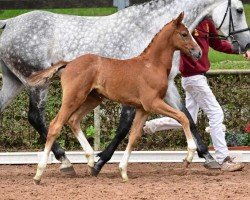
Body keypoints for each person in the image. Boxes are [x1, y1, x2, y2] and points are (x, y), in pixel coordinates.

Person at [143, 17, 249, 172]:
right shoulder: (187, 23)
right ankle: (223, 158)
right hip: (194, 78)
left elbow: (218, 44)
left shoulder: (207, 22)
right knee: (216, 113)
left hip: (197, 78)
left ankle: (150, 126)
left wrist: (240, 49)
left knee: (188, 118)